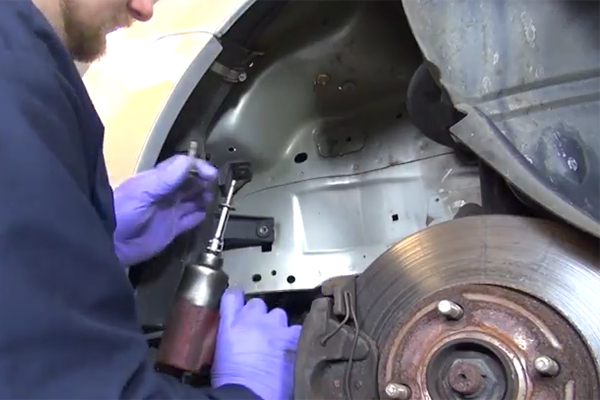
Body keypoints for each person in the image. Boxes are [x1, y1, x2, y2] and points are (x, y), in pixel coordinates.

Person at [0, 0, 300, 400]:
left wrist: (97, 236)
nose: (143, 9)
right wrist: (249, 391)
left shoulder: (19, 62)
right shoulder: (14, 87)